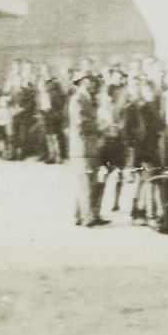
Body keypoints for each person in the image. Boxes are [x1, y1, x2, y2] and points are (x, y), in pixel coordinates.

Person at [69, 72, 106, 228]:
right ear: (83, 82)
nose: (95, 84)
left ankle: (79, 216)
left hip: (89, 146)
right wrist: (101, 127)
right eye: (92, 81)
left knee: (88, 181)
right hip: (82, 147)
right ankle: (88, 217)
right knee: (85, 181)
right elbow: (81, 123)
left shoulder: (88, 99)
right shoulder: (78, 99)